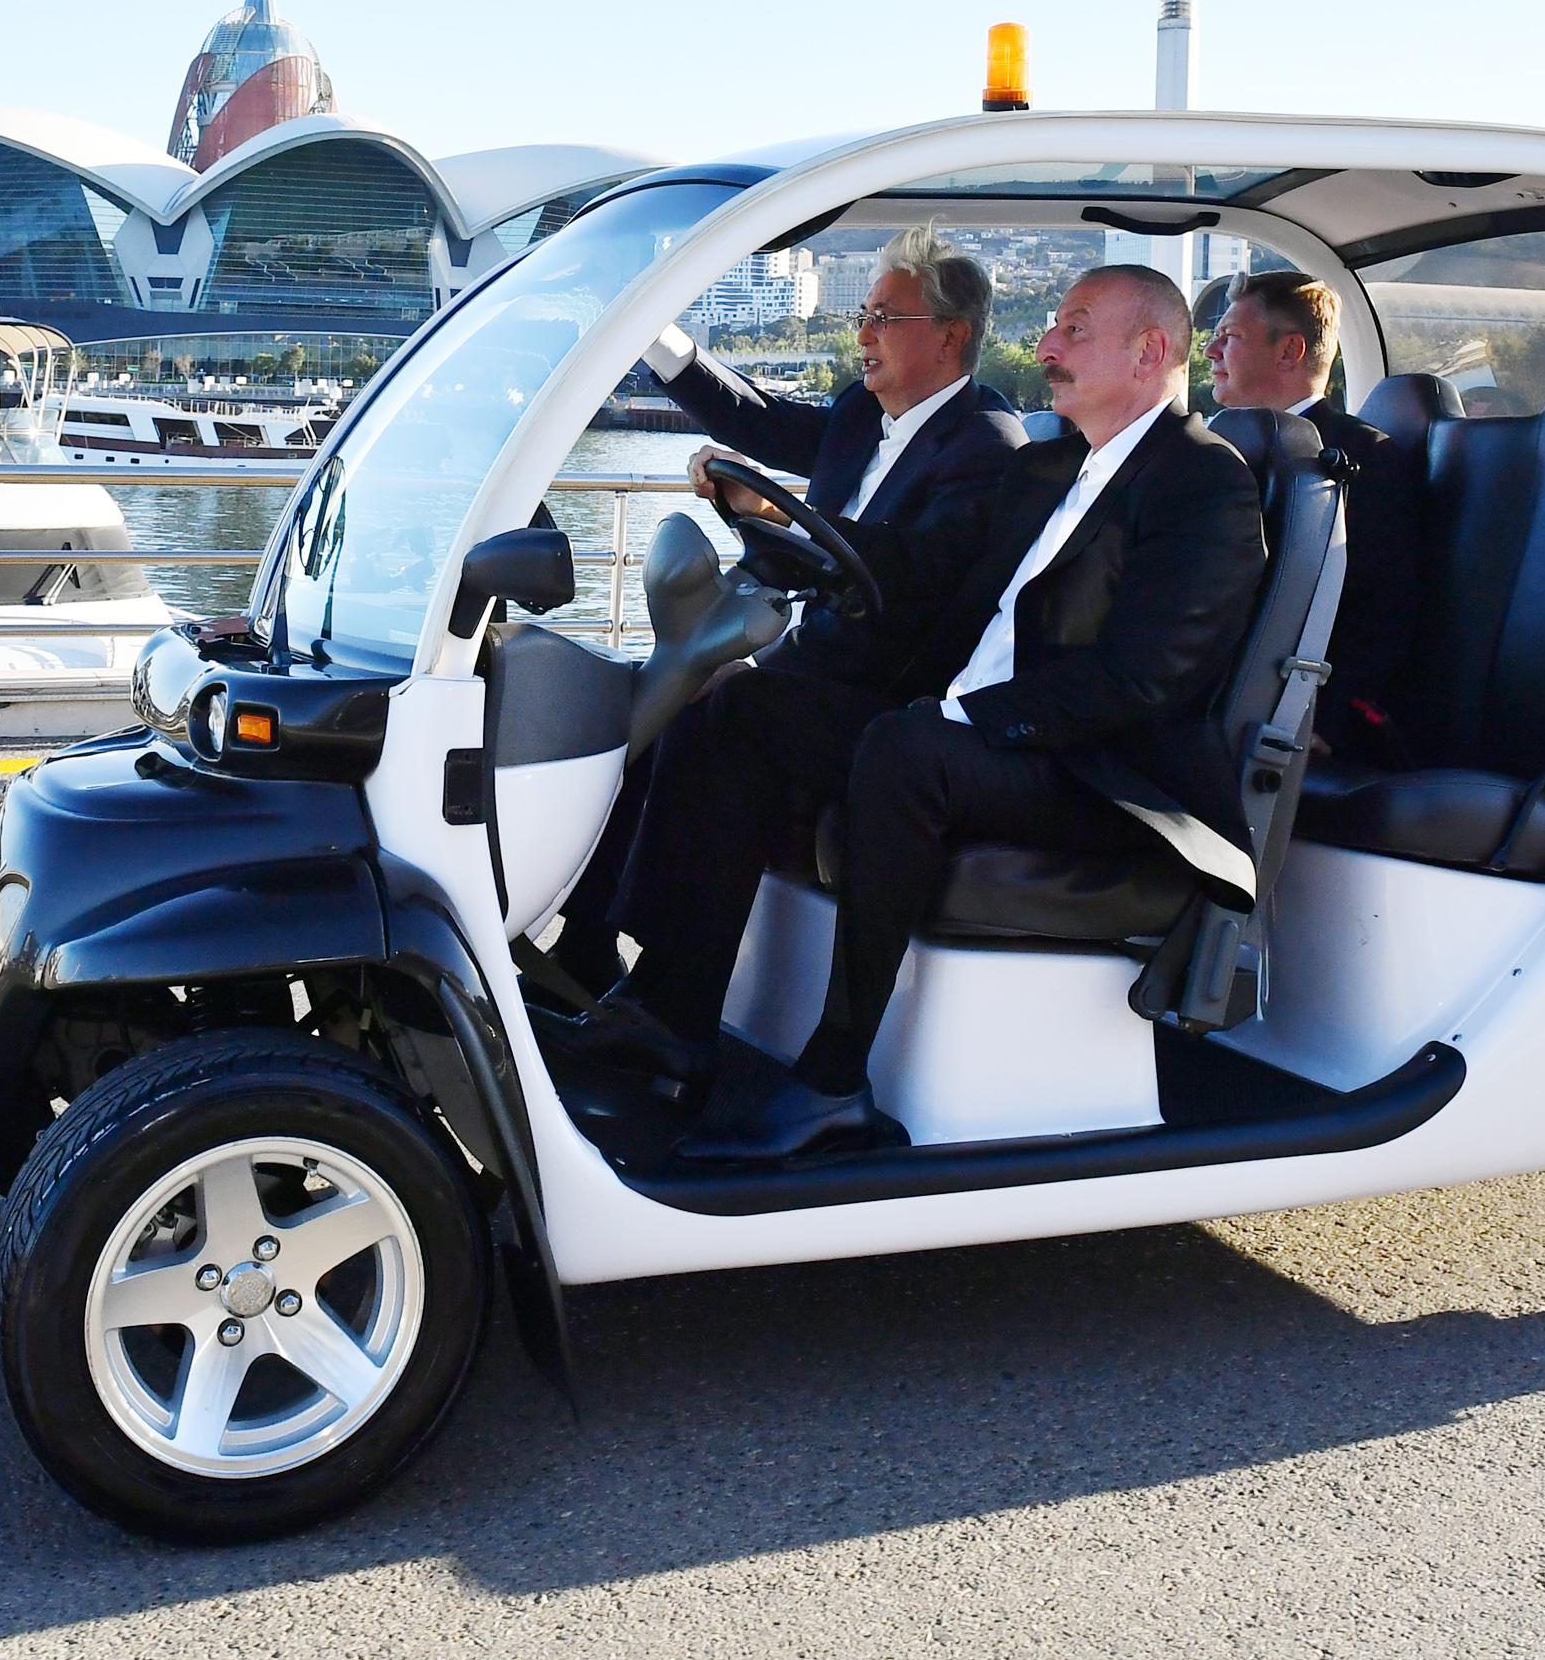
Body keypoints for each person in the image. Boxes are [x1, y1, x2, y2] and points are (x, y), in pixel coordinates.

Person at [564, 263, 1268, 1163]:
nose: (1044, 347)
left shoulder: (1204, 483)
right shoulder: (1046, 467)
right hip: (983, 737)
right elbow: (927, 577)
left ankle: (832, 1081)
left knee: (905, 749)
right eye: (1053, 326)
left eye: (1073, 329)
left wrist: (957, 720)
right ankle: (669, 1016)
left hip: (1100, 774)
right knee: (738, 706)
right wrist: (791, 530)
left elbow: (1142, 681)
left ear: (1149, 351)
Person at [539, 230, 1022, 994]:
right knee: (660, 695)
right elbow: (754, 416)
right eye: (862, 315)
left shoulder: (987, 445)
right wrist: (650, 332)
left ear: (950, 337)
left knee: (734, 710)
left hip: (892, 701)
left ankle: (673, 1001)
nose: (862, 335)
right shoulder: (861, 416)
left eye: (884, 318)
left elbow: (913, 571)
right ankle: (585, 945)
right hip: (812, 665)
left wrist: (780, 516)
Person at [1201, 268, 1407, 756]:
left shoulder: (1363, 457)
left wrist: (1322, 721)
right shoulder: (1211, 447)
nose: (1210, 351)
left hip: (1286, 710)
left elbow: (1381, 607)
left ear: (1289, 351)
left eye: (1230, 336)